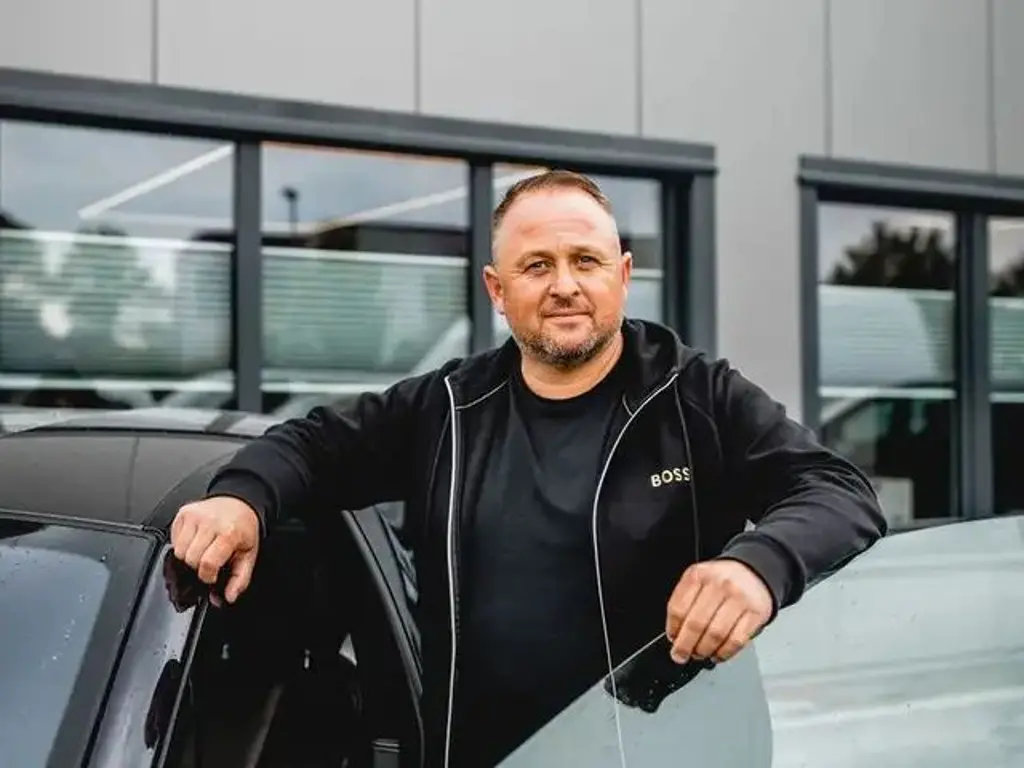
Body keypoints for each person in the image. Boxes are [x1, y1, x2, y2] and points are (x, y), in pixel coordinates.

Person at [170, 170, 887, 766]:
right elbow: (312, 446)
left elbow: (839, 491)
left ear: (623, 275)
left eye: (586, 261)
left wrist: (757, 565)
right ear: (496, 288)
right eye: (537, 266)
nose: (564, 284)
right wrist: (241, 499)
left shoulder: (694, 395)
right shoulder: (448, 409)